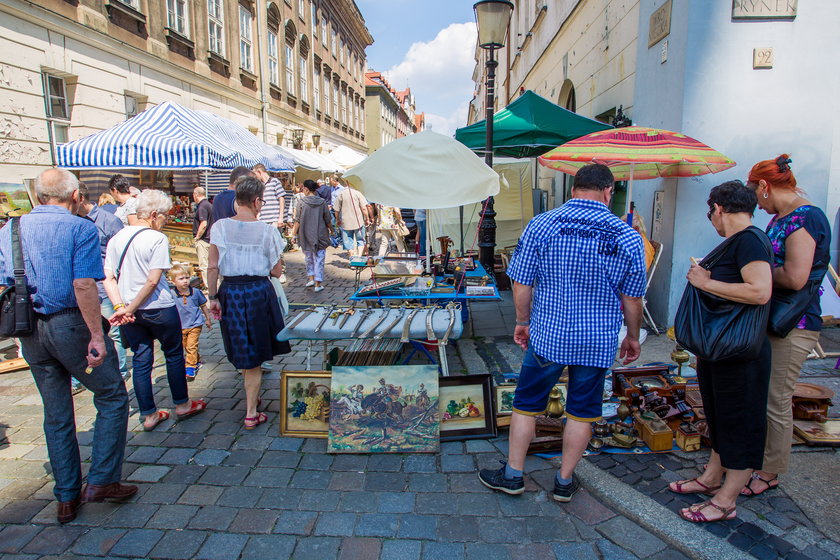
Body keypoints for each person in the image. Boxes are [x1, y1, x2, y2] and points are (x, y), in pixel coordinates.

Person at [478, 164, 645, 503]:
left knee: (526, 406)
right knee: (582, 411)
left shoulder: (543, 224)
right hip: (596, 339)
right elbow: (633, 298)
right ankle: (564, 482)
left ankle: (512, 475)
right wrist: (632, 335)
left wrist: (521, 321)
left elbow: (521, 281)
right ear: (609, 192)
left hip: (549, 334)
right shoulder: (627, 235)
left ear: (573, 189)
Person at [0, 168, 134, 523]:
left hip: (29, 328)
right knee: (112, 394)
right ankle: (102, 480)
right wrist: (95, 334)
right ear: (75, 196)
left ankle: (66, 497)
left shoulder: (12, 229)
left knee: (56, 413)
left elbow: (5, 283)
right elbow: (84, 285)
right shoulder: (79, 227)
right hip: (69, 322)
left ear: (39, 196)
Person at [668, 180, 773, 522]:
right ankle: (713, 477)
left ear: (719, 208)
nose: (710, 219)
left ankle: (726, 500)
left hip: (740, 352)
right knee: (719, 415)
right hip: (722, 350)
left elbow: (759, 291)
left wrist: (705, 282)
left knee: (739, 421)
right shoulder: (739, 242)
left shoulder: (750, 241)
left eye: (709, 212)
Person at [742, 155, 832, 496]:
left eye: (756, 195)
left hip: (795, 323)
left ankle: (770, 471)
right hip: (775, 318)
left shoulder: (806, 217)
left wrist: (754, 274)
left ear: (765, 187)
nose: (757, 204)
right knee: (764, 393)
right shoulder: (782, 217)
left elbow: (795, 277)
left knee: (775, 398)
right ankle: (758, 459)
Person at [104, 189, 207, 431]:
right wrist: (128, 307)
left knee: (141, 360)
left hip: (131, 311)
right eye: (164, 217)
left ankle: (149, 414)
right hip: (158, 307)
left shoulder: (117, 238)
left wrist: (122, 306)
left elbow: (108, 277)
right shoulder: (155, 238)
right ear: (152, 215)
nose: (165, 221)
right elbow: (152, 280)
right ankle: (181, 404)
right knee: (173, 355)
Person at [206, 175, 291, 429]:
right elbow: (276, 271)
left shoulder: (219, 226)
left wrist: (212, 297)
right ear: (256, 202)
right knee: (254, 354)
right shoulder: (267, 231)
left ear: (236, 200)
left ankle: (252, 397)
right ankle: (251, 411)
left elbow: (212, 267)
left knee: (242, 347)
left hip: (229, 290)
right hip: (257, 291)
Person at [76, 182, 129, 383]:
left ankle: (120, 372)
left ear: (79, 198)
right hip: (80, 288)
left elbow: (121, 255)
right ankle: (84, 376)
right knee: (82, 332)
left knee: (113, 333)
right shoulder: (72, 222)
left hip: (103, 286)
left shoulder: (109, 221)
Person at [170, 264, 212, 381]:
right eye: (181, 279)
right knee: (186, 346)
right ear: (173, 281)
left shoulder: (196, 292)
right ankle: (196, 360)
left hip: (195, 323)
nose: (185, 281)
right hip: (180, 325)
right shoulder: (172, 294)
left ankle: (190, 367)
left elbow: (203, 306)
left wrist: (208, 319)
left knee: (191, 346)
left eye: (187, 278)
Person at [291, 179, 333, 292]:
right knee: (319, 258)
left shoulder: (301, 202)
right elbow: (328, 219)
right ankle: (318, 283)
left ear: (306, 189)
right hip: (320, 234)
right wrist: (332, 230)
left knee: (308, 257)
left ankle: (311, 278)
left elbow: (297, 220)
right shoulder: (322, 202)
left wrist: (293, 235)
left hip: (305, 234)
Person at [252, 164, 287, 283]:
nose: (255, 176)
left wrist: (280, 217)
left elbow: (281, 199)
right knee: (264, 247)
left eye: (255, 174)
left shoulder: (275, 182)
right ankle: (268, 270)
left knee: (277, 246)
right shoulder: (259, 186)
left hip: (273, 219)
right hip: (263, 220)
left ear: (259, 171)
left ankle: (281, 271)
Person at [334, 182, 371, 257]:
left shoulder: (341, 194)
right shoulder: (358, 193)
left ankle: (351, 255)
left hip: (345, 222)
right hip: (358, 221)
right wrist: (367, 218)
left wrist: (337, 220)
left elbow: (336, 210)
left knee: (348, 241)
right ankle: (359, 256)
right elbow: (364, 208)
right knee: (360, 240)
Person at [192, 186, 214, 290]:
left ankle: (210, 288)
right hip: (210, 239)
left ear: (195, 195)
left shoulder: (202, 206)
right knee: (211, 265)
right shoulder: (208, 204)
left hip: (204, 240)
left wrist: (197, 237)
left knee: (204, 266)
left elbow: (204, 223)